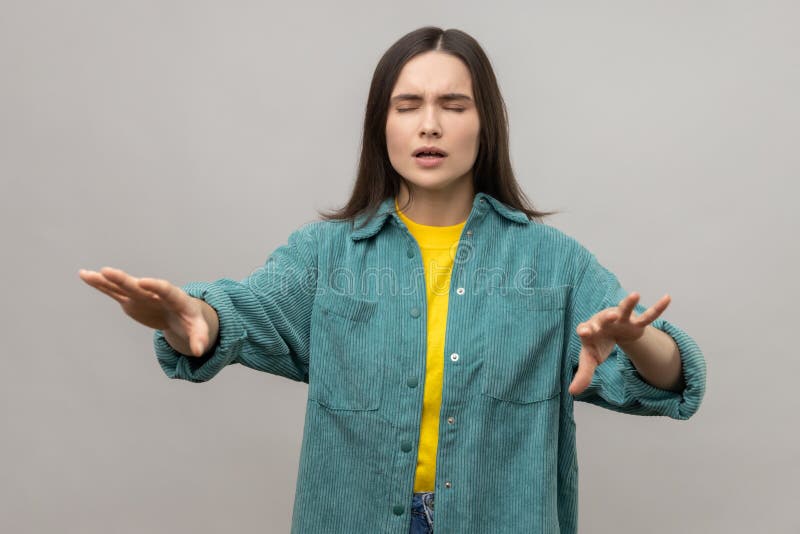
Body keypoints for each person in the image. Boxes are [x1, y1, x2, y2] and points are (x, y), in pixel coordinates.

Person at [79, 26, 706, 534]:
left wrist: (633, 338)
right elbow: (249, 311)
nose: (429, 125)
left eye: (452, 106)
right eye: (408, 106)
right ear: (383, 125)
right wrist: (193, 316)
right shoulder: (325, 256)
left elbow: (673, 381)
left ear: (485, 123)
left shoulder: (553, 264)